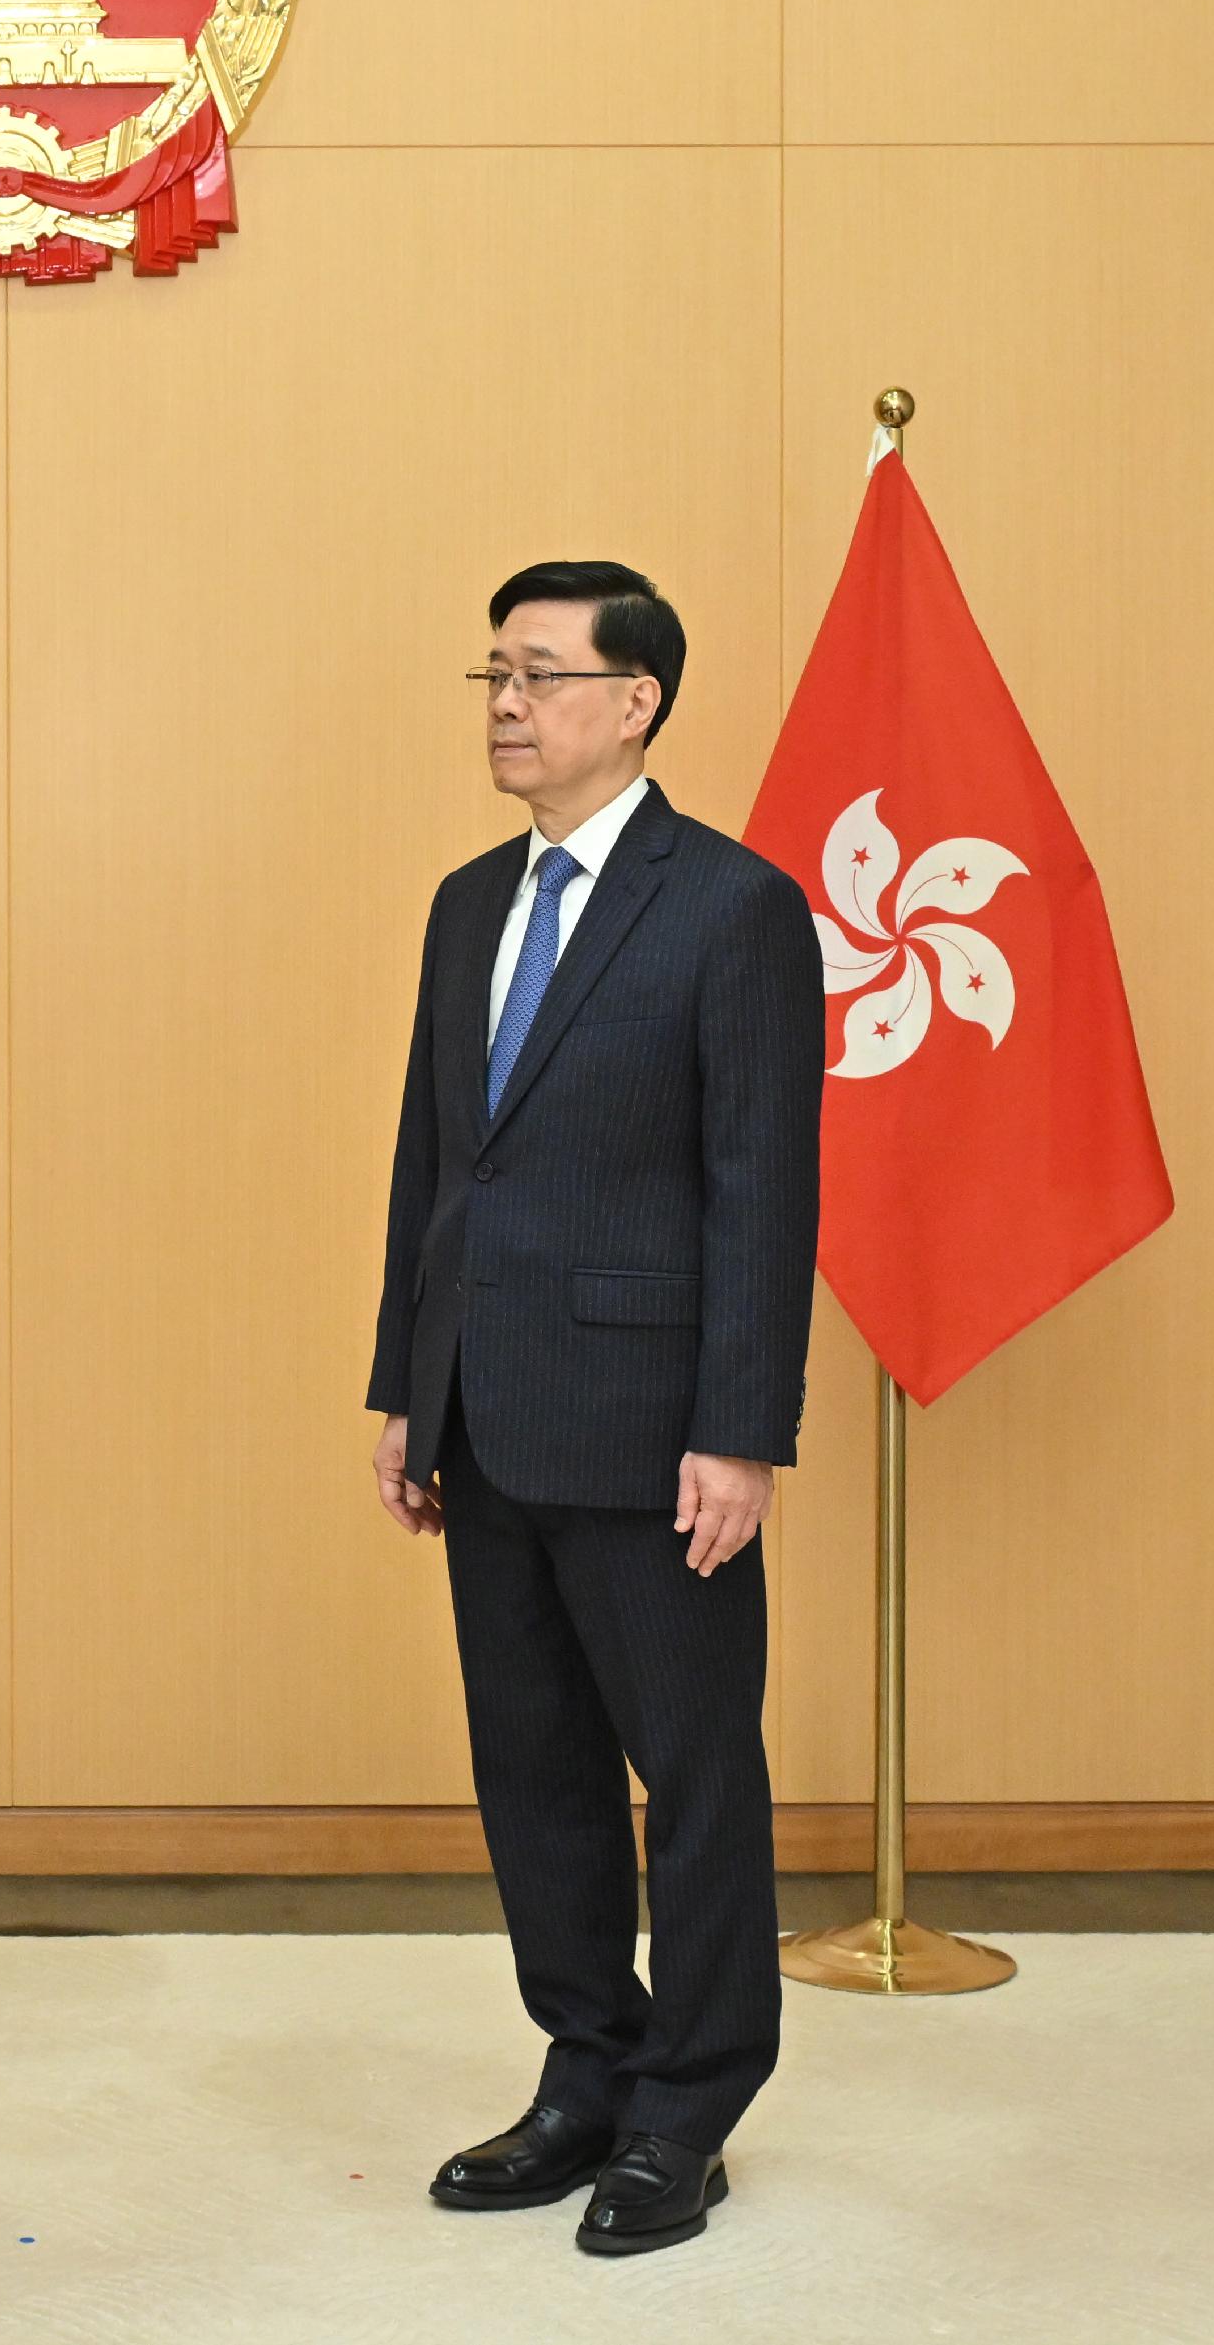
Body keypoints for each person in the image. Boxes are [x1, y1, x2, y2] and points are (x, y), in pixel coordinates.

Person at [366, 560, 822, 2261]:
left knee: (694, 1776)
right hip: (483, 1413)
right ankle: (585, 2065)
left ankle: (688, 2110)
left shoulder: (734, 907)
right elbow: (434, 1163)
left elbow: (762, 1188)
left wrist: (743, 1427)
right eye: (492, 669)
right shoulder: (466, 902)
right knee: (534, 1768)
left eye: (541, 674)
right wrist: (405, 1385)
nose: (504, 702)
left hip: (656, 1428)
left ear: (635, 702)